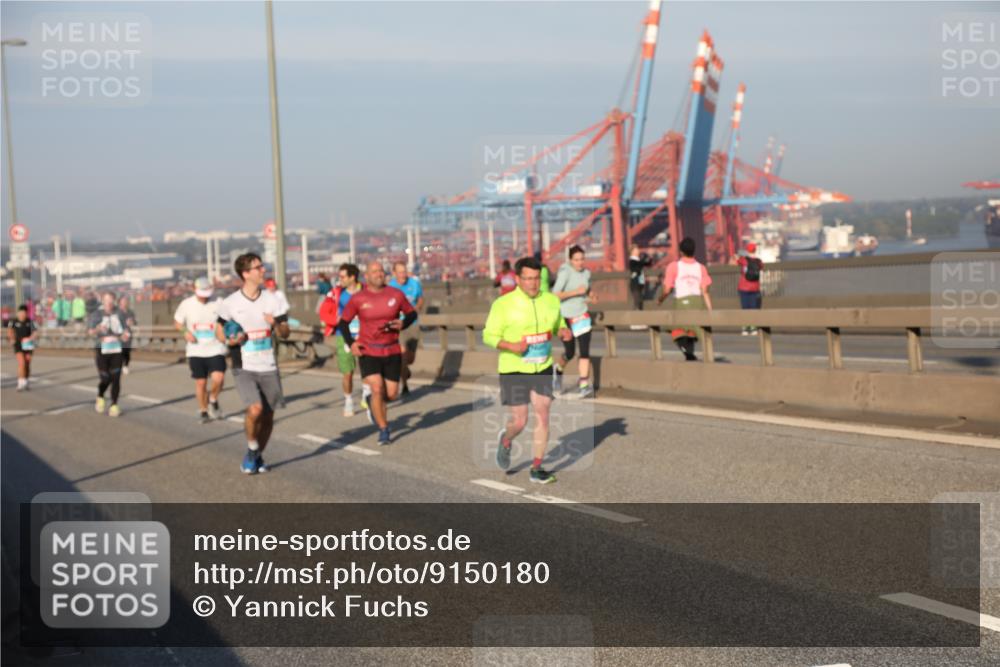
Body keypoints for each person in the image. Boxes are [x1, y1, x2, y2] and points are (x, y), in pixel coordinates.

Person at [483, 256, 571, 485]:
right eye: (528, 279)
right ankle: (506, 440)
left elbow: (558, 324)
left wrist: (563, 331)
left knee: (543, 413)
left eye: (536, 278)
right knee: (520, 421)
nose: (533, 283)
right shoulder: (503, 304)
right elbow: (488, 335)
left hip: (542, 366)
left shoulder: (551, 301)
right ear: (518, 278)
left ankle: (537, 467)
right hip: (514, 368)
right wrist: (512, 346)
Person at [216, 254, 290, 475]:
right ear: (245, 274)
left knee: (268, 417)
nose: (263, 270)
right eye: (258, 268)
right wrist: (229, 340)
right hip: (243, 365)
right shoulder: (230, 303)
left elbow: (286, 333)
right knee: (255, 409)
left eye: (262, 266)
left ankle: (257, 456)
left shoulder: (273, 300)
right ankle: (252, 448)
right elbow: (219, 330)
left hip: (268, 364)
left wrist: (276, 323)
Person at [337, 261, 417, 445]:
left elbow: (411, 313)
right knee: (377, 388)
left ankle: (372, 401)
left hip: (391, 350)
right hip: (369, 350)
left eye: (381, 270)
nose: (379, 274)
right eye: (374, 271)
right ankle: (383, 428)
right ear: (367, 276)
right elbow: (343, 323)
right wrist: (352, 343)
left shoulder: (396, 294)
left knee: (391, 394)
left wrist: (403, 323)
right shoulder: (358, 298)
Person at [174, 277, 228, 423]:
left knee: (219, 378)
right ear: (194, 290)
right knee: (201, 382)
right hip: (196, 349)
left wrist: (224, 331)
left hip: (215, 347)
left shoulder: (218, 302)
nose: (205, 298)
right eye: (201, 294)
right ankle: (203, 410)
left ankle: (213, 399)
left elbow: (228, 319)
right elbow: (178, 322)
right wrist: (186, 332)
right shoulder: (187, 304)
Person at [657, 237, 713, 361]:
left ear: (681, 251)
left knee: (678, 329)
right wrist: (710, 311)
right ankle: (689, 351)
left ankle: (686, 349)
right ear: (694, 251)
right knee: (692, 330)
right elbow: (705, 291)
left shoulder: (674, 266)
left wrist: (660, 299)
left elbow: (667, 290)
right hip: (698, 302)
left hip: (681, 302)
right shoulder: (701, 267)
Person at [318, 263, 363, 417]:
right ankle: (348, 400)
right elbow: (323, 311)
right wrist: (334, 320)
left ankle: (367, 395)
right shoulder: (337, 293)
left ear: (353, 277)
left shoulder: (366, 291)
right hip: (343, 336)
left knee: (368, 368)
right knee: (347, 373)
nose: (340, 279)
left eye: (343, 276)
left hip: (364, 335)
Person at [552, 245, 596, 397]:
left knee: (585, 351)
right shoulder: (565, 272)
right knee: (569, 353)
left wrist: (591, 295)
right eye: (576, 260)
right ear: (570, 260)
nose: (580, 263)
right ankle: (557, 370)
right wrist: (575, 292)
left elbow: (587, 289)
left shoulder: (587, 273)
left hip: (582, 315)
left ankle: (584, 384)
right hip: (566, 317)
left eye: (582, 259)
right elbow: (555, 294)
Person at [87, 293, 131, 417]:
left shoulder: (120, 314)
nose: (109, 304)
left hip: (116, 349)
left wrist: (125, 335)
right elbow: (89, 332)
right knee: (106, 378)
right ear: (102, 301)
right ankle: (100, 395)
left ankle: (114, 405)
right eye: (106, 301)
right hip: (102, 350)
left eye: (111, 301)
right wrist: (97, 329)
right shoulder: (96, 315)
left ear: (114, 302)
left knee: (116, 378)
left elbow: (126, 329)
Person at [388, 261, 424, 396]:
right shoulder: (390, 286)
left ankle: (404, 369)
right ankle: (405, 386)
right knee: (402, 354)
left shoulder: (414, 283)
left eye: (404, 271)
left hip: (413, 323)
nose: (403, 274)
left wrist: (417, 308)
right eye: (400, 272)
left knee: (410, 358)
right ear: (394, 273)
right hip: (398, 325)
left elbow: (420, 298)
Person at [8, 304, 37, 391]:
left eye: (24, 313)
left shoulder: (30, 321)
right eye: (20, 313)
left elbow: (35, 332)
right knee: (22, 363)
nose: (22, 314)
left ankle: (26, 381)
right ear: (18, 313)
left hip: (28, 344)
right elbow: (10, 332)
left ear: (26, 313)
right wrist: (12, 339)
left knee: (27, 363)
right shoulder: (13, 321)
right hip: (18, 344)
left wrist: (30, 338)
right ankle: (20, 382)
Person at [737, 242, 763, 335]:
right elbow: (761, 267)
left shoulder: (744, 260)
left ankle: (745, 328)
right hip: (755, 288)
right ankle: (753, 328)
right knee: (754, 308)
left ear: (747, 250)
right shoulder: (759, 261)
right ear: (755, 250)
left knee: (745, 308)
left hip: (743, 287)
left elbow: (737, 261)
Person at [117, 295, 137, 375]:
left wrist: (132, 322)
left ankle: (126, 365)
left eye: (126, 301)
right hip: (119, 334)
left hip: (128, 334)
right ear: (119, 302)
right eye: (123, 301)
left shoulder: (130, 312)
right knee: (119, 351)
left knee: (127, 351)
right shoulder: (116, 312)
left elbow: (135, 322)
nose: (125, 302)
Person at [628, 244, 652, 310]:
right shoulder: (632, 261)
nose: (638, 250)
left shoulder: (639, 260)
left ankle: (639, 315)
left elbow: (648, 264)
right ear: (632, 251)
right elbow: (635, 269)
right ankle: (633, 315)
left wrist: (649, 258)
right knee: (637, 300)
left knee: (640, 301)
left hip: (641, 282)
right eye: (636, 249)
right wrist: (642, 261)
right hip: (635, 283)